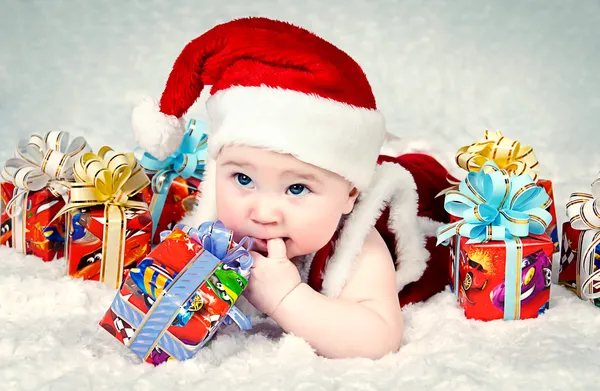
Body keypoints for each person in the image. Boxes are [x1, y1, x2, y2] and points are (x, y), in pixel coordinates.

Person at [132, 17, 453, 359]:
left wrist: (285, 298)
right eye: (243, 179)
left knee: (426, 177)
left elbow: (379, 338)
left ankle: (418, 154)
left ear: (349, 196)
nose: (264, 213)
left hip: (428, 199)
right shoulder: (215, 224)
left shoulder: (356, 240)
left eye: (297, 188)